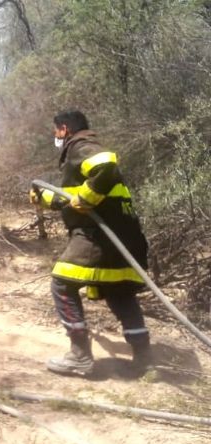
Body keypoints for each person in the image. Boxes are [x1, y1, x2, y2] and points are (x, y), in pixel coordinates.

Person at [30, 110, 152, 376]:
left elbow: (105, 168)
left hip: (100, 236)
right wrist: (44, 197)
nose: (55, 137)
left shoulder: (81, 146)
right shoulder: (80, 153)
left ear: (64, 129)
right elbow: (72, 198)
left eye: (55, 132)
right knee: (119, 292)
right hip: (126, 236)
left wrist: (86, 198)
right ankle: (144, 359)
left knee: (62, 282)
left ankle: (79, 355)